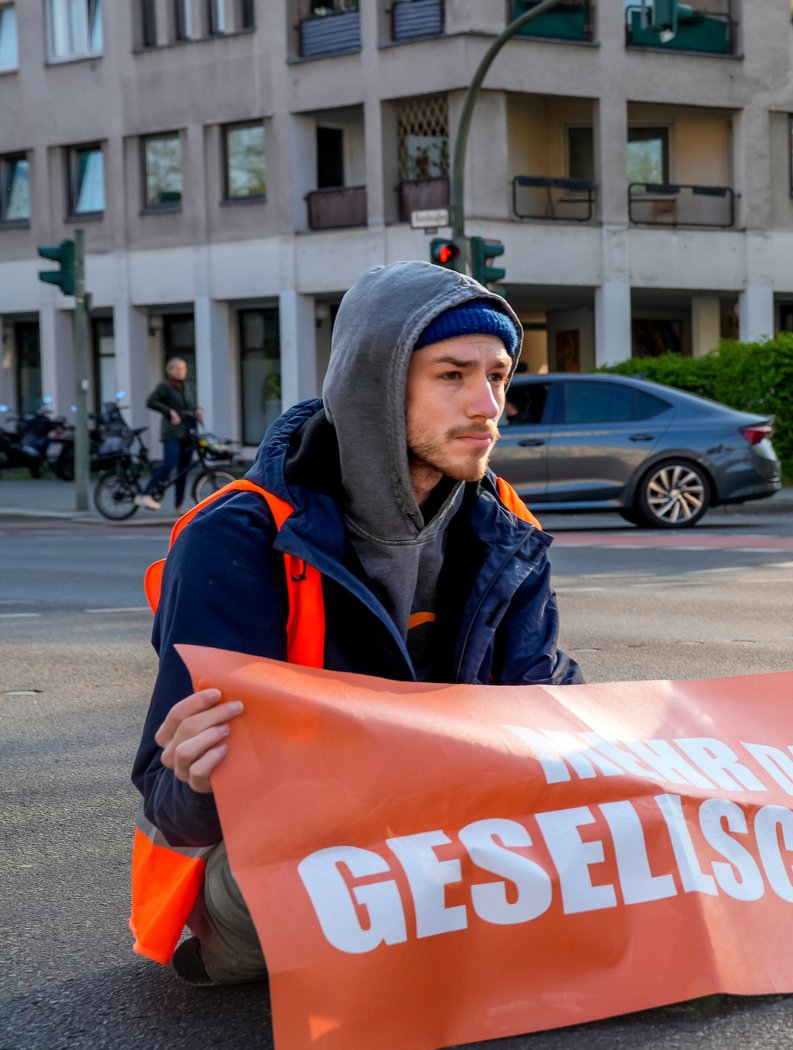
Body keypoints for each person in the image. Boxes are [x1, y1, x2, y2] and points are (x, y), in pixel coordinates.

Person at [130, 261, 582, 986]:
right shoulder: (237, 535)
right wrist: (201, 778)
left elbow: (546, 707)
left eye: (498, 375)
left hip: (449, 832)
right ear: (376, 382)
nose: (487, 404)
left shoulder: (505, 524)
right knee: (340, 891)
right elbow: (174, 807)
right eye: (451, 376)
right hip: (282, 860)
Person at [139, 357, 200, 511]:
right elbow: (151, 401)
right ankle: (145, 495)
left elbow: (190, 405)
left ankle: (178, 505)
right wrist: (169, 411)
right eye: (177, 368)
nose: (181, 371)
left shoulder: (186, 387)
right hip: (172, 434)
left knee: (183, 471)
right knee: (169, 464)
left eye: (183, 368)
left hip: (187, 433)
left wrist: (198, 411)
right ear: (170, 370)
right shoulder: (164, 386)